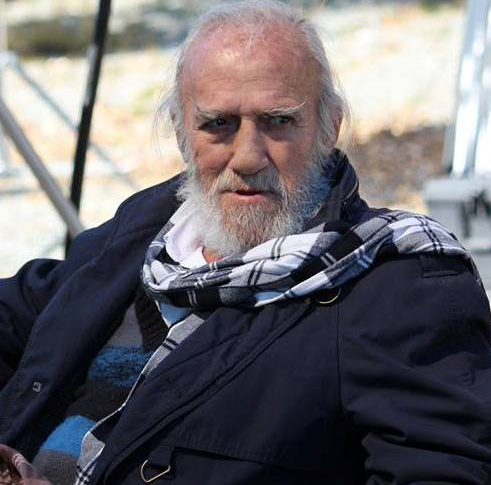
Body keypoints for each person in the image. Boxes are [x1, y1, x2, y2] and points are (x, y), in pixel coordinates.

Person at [1, 1, 491, 484]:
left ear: (328, 129)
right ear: (181, 132)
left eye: (278, 121)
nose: (248, 157)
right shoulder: (146, 228)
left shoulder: (397, 285)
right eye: (218, 124)